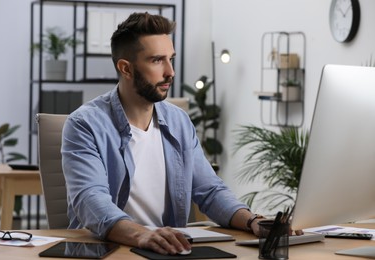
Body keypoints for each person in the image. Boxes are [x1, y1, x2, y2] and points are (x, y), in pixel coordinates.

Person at [61, 12, 265, 255]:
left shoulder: (178, 121)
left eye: (171, 59)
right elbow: (90, 199)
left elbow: (210, 191)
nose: (171, 72)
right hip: (107, 251)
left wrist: (253, 221)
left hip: (166, 251)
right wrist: (142, 234)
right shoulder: (84, 125)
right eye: (157, 60)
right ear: (126, 68)